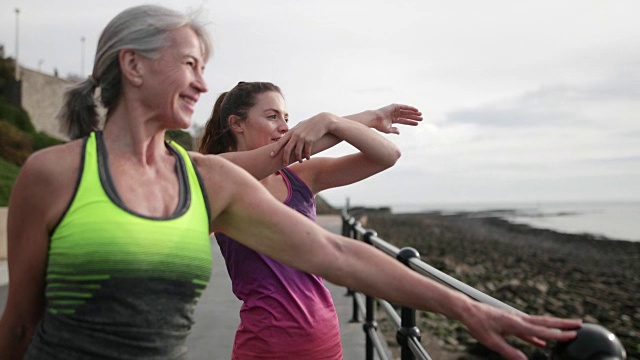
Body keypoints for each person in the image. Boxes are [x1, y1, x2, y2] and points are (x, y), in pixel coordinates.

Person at [0, 4, 581, 360]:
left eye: (205, 68)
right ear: (134, 66)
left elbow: (333, 250)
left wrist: (464, 307)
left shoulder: (208, 181)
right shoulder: (53, 175)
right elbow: (21, 320)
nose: (203, 84)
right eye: (190, 65)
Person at [198, 81, 422, 359]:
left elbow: (388, 155)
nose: (284, 126)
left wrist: (332, 122)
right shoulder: (219, 175)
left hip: (325, 339)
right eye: (272, 116)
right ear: (237, 123)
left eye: (287, 118)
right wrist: (340, 120)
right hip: (266, 346)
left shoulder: (302, 177)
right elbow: (283, 152)